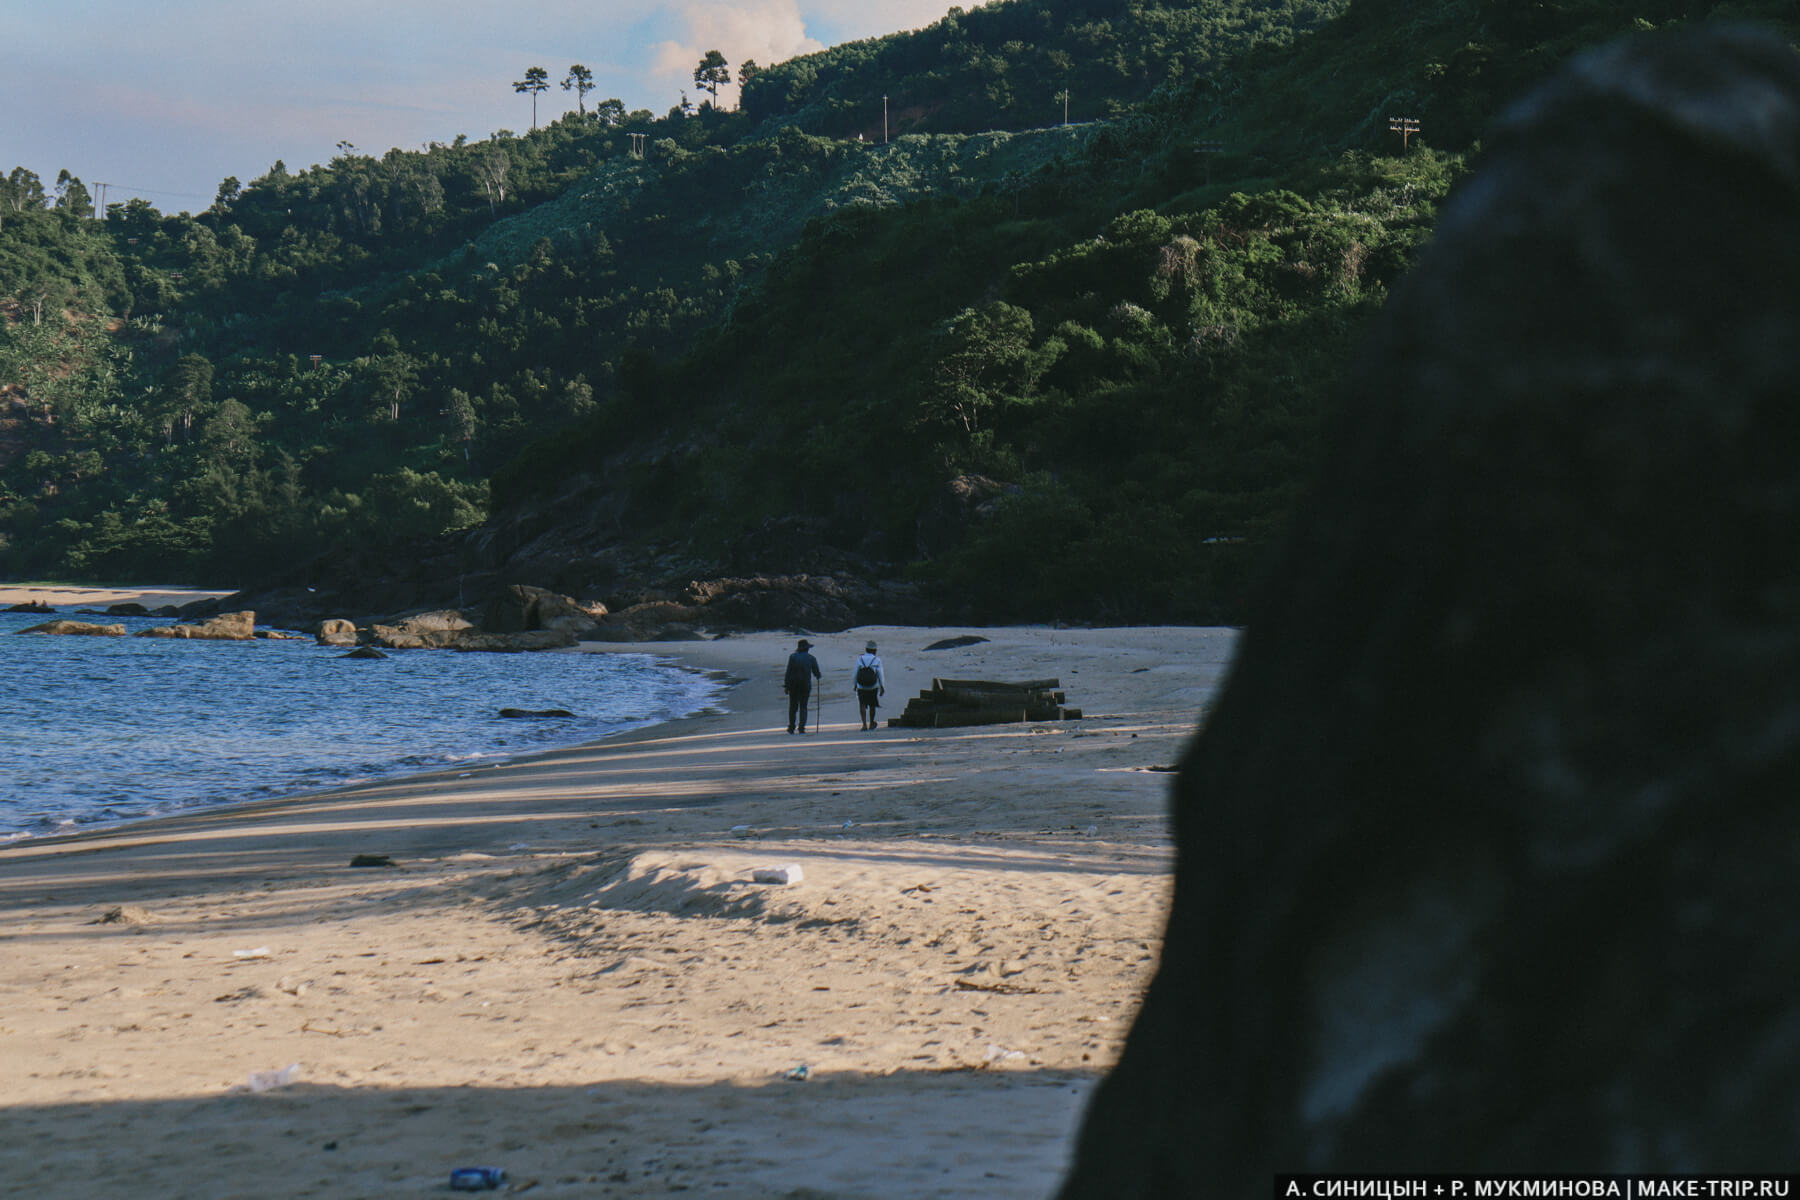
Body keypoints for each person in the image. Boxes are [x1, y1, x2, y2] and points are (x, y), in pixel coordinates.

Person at [783, 638, 822, 734]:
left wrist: (786, 686)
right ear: (806, 649)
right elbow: (816, 673)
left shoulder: (792, 657)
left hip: (793, 685)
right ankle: (801, 727)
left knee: (793, 706)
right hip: (805, 684)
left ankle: (791, 726)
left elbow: (788, 672)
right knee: (803, 706)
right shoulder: (811, 658)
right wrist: (818, 676)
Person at [852, 640, 886, 731]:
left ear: (866, 649)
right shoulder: (877, 660)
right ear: (875, 650)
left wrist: (855, 684)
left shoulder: (860, 659)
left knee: (862, 704)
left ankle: (864, 724)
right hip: (873, 686)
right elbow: (880, 674)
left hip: (861, 685)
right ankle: (871, 723)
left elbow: (855, 673)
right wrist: (882, 686)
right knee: (872, 704)